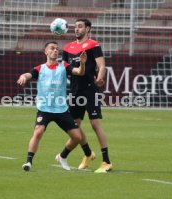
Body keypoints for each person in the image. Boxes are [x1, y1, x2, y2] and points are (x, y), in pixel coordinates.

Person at [17, 41, 88, 171]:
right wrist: (23, 76)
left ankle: (62, 156)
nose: (55, 50)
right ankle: (28, 162)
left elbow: (79, 72)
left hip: (61, 109)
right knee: (38, 132)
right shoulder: (40, 68)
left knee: (77, 137)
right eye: (52, 48)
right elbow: (29, 74)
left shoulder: (64, 66)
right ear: (46, 52)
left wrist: (82, 63)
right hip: (44, 108)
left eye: (57, 49)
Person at [62, 19, 112, 173]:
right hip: (75, 90)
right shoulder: (68, 48)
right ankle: (88, 154)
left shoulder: (93, 45)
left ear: (87, 29)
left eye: (80, 26)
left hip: (91, 89)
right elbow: (64, 69)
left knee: (95, 124)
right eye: (75, 27)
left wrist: (98, 80)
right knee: (74, 128)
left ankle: (106, 162)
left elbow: (102, 66)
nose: (76, 29)